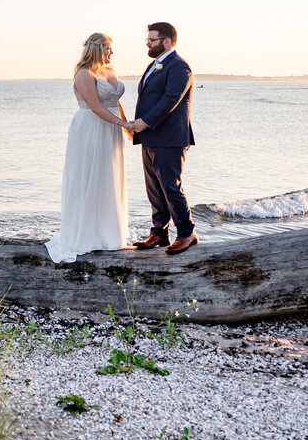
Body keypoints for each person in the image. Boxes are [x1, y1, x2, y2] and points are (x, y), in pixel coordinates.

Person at [46, 33, 132, 264]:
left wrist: (126, 126)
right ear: (96, 48)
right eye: (108, 47)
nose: (111, 52)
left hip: (111, 129)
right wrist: (121, 123)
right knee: (89, 177)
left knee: (108, 178)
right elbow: (94, 105)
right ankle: (86, 236)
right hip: (91, 128)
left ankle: (109, 234)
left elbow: (115, 101)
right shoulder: (84, 74)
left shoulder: (109, 70)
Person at [128, 22, 198, 255]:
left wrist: (144, 122)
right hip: (150, 137)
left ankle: (187, 233)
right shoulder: (155, 65)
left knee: (170, 186)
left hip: (170, 138)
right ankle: (159, 232)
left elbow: (170, 100)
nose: (147, 43)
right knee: (154, 188)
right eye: (147, 39)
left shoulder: (179, 67)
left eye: (152, 40)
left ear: (166, 42)